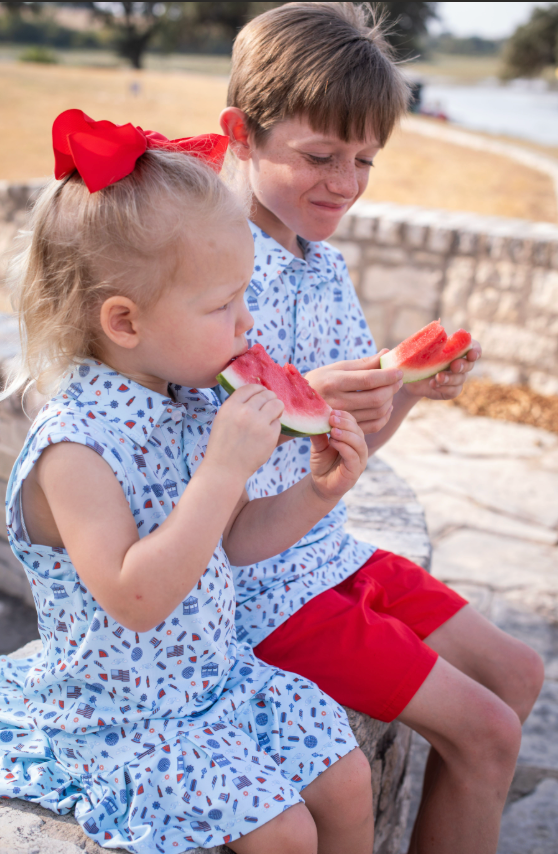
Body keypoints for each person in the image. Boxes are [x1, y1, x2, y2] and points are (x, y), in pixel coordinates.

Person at [0, 109, 375, 854]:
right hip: (119, 718)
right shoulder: (75, 448)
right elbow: (136, 596)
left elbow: (231, 541)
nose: (248, 325)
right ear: (125, 321)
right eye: (223, 306)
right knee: (286, 836)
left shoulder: (193, 398)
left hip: (212, 680)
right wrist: (223, 468)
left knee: (349, 778)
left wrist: (316, 493)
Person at [217, 4, 545, 852]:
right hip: (258, 590)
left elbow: (345, 444)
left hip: (331, 554)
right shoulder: (203, 266)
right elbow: (187, 450)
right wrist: (293, 405)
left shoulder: (323, 266)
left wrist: (402, 391)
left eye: (364, 160)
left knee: (519, 673)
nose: (346, 184)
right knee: (488, 730)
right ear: (241, 133)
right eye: (321, 157)